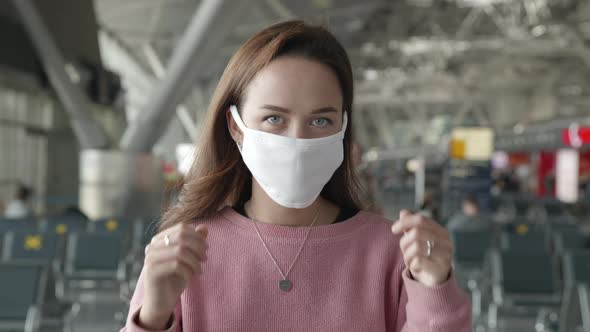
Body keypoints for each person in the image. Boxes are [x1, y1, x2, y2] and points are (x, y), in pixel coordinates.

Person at [122, 21, 471, 332]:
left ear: (343, 127)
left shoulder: (392, 253)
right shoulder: (188, 251)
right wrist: (152, 315)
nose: (298, 140)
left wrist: (434, 288)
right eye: (274, 119)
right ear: (235, 127)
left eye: (321, 121)